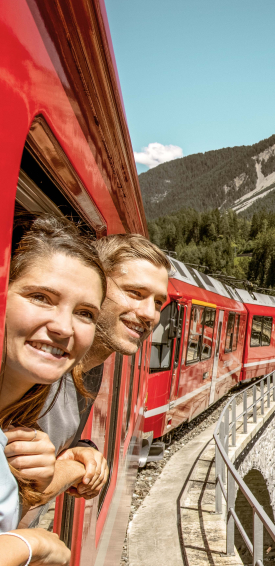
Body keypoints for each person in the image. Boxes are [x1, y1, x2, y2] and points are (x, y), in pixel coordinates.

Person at [27, 233, 171, 523]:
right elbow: (16, 494)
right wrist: (71, 469)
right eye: (135, 293)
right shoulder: (40, 370)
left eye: (158, 302)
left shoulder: (91, 369)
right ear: (95, 286)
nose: (149, 314)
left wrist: (79, 449)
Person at [0, 216, 107, 536]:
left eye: (85, 313)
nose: (63, 327)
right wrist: (33, 545)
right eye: (41, 298)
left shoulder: (33, 419)